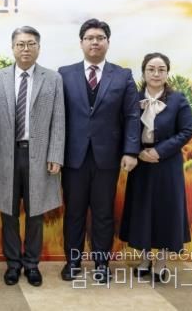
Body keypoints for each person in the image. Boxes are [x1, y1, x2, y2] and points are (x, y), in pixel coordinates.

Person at [58, 18, 140, 283]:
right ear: (81, 42)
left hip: (108, 157)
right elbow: (57, 117)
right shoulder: (64, 74)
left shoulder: (123, 75)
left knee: (104, 213)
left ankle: (102, 264)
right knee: (74, 212)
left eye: (100, 38)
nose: (95, 42)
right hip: (73, 157)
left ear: (108, 42)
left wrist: (131, 151)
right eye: (90, 38)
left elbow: (132, 115)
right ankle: (72, 262)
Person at [0, 26, 65, 287]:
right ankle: (12, 265)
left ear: (38, 48)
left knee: (35, 213)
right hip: (6, 155)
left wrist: (55, 154)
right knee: (8, 212)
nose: (25, 49)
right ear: (12, 48)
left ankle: (32, 264)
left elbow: (59, 120)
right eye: (20, 44)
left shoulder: (53, 78)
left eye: (31, 44)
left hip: (39, 156)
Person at [120, 53, 192, 281]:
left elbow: (186, 131)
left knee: (165, 211)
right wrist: (137, 151)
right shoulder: (133, 98)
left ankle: (161, 262)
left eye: (161, 69)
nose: (156, 74)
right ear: (143, 72)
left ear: (167, 73)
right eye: (151, 69)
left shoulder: (178, 99)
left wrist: (159, 151)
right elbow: (124, 127)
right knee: (142, 211)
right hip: (140, 164)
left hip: (167, 165)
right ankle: (144, 259)